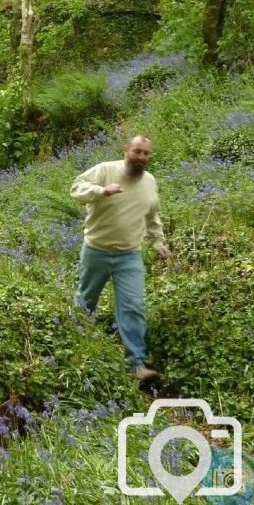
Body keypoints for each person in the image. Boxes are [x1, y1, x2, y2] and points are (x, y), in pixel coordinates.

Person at [70, 135, 171, 382]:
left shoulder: (149, 181)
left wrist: (157, 240)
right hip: (97, 250)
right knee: (86, 301)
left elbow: (152, 215)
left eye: (146, 153)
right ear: (126, 150)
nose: (141, 158)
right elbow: (76, 188)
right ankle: (70, 344)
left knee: (133, 307)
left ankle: (136, 364)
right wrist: (101, 191)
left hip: (130, 255)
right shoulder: (105, 170)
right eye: (137, 151)